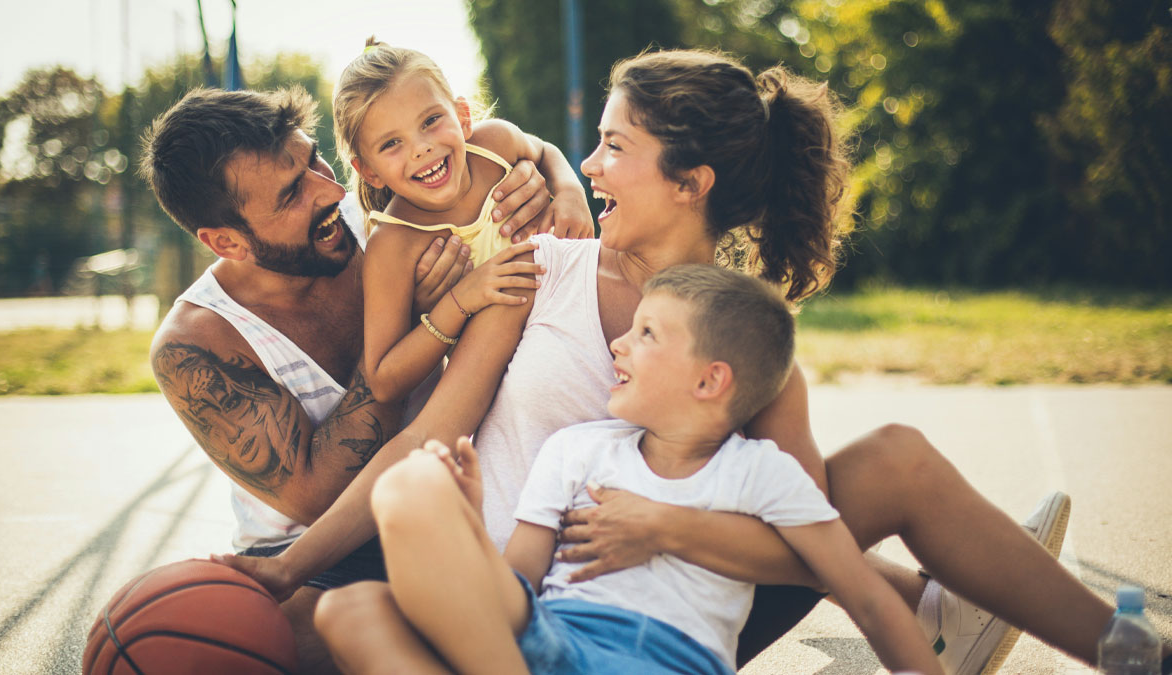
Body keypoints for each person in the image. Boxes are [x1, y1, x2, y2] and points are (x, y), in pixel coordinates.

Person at [219, 49, 1166, 674]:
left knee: (891, 460)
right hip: (511, 606)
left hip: (667, 620)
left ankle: (1128, 649)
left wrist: (665, 531)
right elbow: (427, 432)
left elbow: (806, 537)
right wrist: (286, 564)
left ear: (690, 182)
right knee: (312, 625)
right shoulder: (537, 271)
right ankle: (944, 607)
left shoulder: (743, 342)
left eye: (612, 147)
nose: (584, 167)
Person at [140, 84, 573, 673]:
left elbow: (500, 146)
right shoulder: (198, 344)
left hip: (438, 500)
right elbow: (320, 496)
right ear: (227, 241)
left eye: (314, 157)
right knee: (303, 632)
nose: (332, 189)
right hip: (314, 554)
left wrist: (553, 174)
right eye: (293, 193)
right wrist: (423, 326)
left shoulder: (384, 207)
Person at [335, 263, 944, 674]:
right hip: (551, 640)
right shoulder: (576, 450)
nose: (619, 345)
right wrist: (465, 522)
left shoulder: (760, 473)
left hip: (662, 659)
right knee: (361, 584)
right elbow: (516, 582)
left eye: (646, 333)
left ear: (711, 380)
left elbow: (868, 599)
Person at [332, 37, 591, 405]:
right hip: (514, 388)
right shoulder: (392, 245)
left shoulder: (494, 145)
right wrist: (460, 301)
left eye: (431, 121)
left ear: (463, 117)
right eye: (392, 144)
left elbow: (544, 150)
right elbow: (384, 380)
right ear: (369, 171)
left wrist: (569, 190)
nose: (421, 148)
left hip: (586, 324)